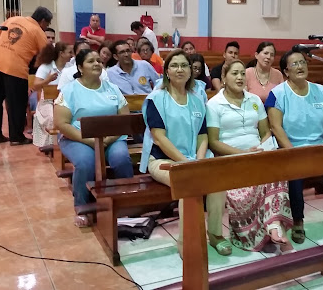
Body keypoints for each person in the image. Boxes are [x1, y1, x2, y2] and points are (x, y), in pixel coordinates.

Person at [139, 50, 229, 257]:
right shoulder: (156, 99)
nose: (180, 69)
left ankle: (215, 234)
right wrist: (186, 163)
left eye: (184, 65)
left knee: (219, 180)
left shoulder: (197, 99)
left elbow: (203, 135)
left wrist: (198, 160)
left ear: (191, 71)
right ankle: (186, 241)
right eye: (175, 65)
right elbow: (160, 138)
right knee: (189, 183)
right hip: (162, 160)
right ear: (167, 71)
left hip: (194, 159)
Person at [265, 49, 323, 243]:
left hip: (320, 146)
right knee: (294, 172)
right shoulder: (277, 94)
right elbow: (276, 126)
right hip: (294, 148)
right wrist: (292, 152)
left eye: (303, 62)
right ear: (286, 71)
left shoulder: (320, 90)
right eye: (295, 64)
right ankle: (298, 220)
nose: (300, 67)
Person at [207, 60, 293, 252]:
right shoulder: (214, 104)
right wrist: (243, 153)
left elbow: (265, 131)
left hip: (257, 156)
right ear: (224, 78)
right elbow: (214, 142)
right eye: (234, 74)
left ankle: (273, 225)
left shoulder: (253, 100)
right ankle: (268, 230)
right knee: (261, 178)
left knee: (277, 172)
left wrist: (263, 147)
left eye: (242, 74)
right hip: (231, 159)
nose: (239, 78)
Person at [54, 49, 134, 227]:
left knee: (121, 159)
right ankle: (82, 206)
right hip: (77, 138)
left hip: (112, 137)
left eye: (99, 60)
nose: (97, 63)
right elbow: (62, 123)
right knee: (86, 162)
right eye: (91, 61)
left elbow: (124, 118)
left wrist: (109, 139)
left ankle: (126, 203)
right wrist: (90, 141)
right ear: (80, 67)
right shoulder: (70, 90)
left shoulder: (112, 88)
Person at [0, 6, 52, 145]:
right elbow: (45, 55)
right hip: (16, 70)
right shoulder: (38, 32)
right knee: (17, 104)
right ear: (42, 21)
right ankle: (16, 137)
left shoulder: (13, 19)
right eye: (47, 24)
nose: (46, 27)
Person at [31, 42, 74, 147]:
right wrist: (48, 80)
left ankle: (67, 144)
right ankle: (53, 145)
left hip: (66, 101)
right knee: (53, 118)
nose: (72, 55)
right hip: (47, 101)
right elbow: (35, 86)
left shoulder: (71, 67)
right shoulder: (46, 67)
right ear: (61, 53)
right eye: (69, 52)